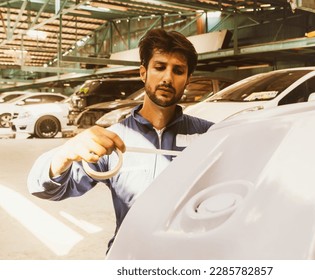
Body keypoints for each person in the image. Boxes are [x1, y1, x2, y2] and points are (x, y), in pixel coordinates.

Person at [27, 28, 214, 251]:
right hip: (129, 258)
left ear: (188, 79)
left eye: (178, 70)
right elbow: (46, 189)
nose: (167, 78)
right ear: (143, 73)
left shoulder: (209, 136)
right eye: (160, 67)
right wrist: (64, 154)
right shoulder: (114, 139)